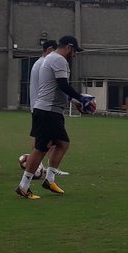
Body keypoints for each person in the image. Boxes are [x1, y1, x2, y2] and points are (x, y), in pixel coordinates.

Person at [16, 35, 93, 199]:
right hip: (47, 111)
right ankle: (23, 186)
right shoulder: (58, 59)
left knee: (63, 143)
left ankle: (49, 180)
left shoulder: (53, 59)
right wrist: (81, 98)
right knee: (41, 148)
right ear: (69, 47)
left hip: (52, 111)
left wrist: (74, 100)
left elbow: (58, 88)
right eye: (74, 51)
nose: (75, 55)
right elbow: (63, 85)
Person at [25, 39, 68, 178]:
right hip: (45, 107)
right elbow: (49, 86)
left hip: (39, 106)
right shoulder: (45, 63)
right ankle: (41, 169)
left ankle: (43, 169)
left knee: (47, 140)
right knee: (44, 142)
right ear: (49, 49)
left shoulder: (40, 63)